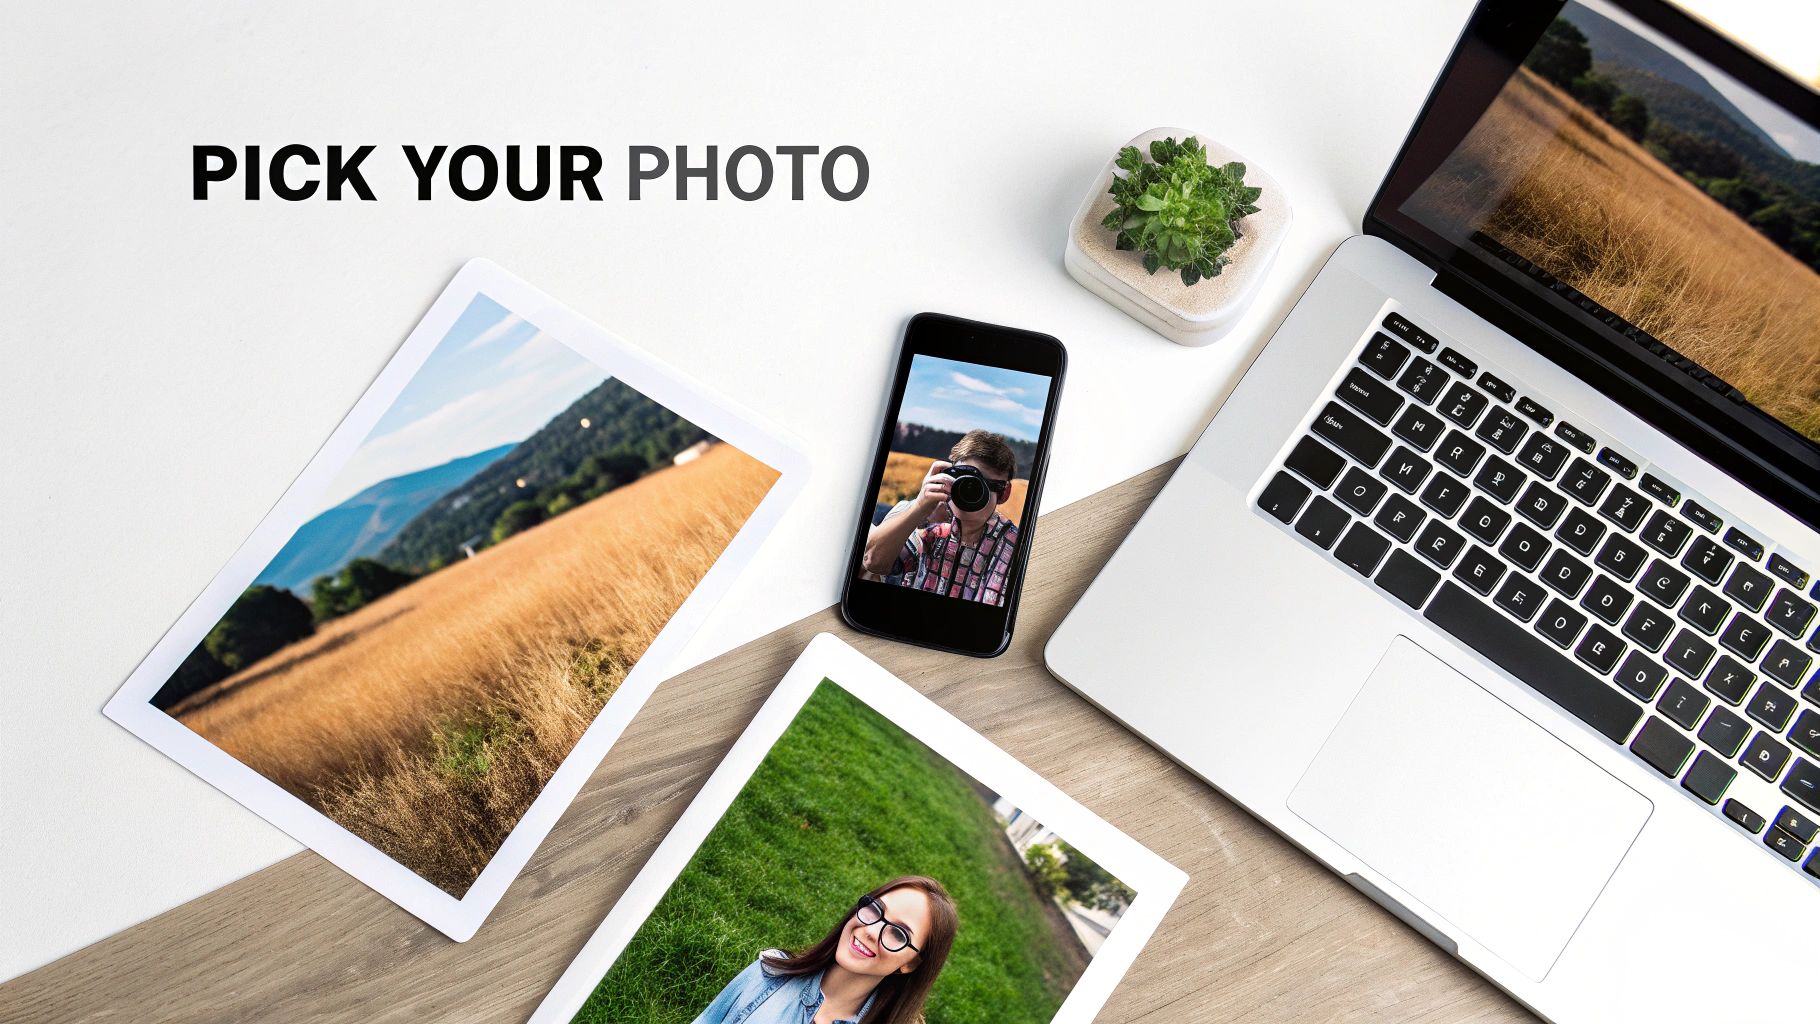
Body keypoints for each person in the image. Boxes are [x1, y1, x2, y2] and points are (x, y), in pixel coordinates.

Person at [692, 876, 958, 1024]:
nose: (870, 930)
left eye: (897, 933)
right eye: (875, 910)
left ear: (911, 963)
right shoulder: (770, 973)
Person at [862, 430, 1019, 606]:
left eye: (979, 487)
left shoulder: (1016, 547)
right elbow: (873, 562)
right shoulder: (919, 515)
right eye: (964, 480)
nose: (969, 492)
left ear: (1004, 494)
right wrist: (920, 508)